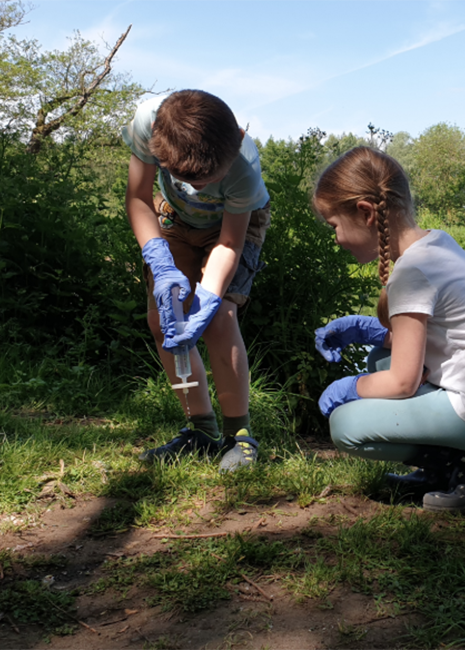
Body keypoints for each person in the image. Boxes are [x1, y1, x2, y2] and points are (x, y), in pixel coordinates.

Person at [312, 146, 465, 512]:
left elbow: (403, 381)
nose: (336, 239)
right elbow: (423, 339)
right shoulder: (437, 245)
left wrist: (347, 389)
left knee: (345, 425)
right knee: (379, 358)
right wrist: (366, 331)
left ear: (366, 213)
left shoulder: (412, 272)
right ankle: (448, 468)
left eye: (334, 226)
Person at [122, 89, 270, 471]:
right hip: (173, 217)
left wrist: (208, 296)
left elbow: (229, 242)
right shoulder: (148, 123)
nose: (198, 187)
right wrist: (159, 260)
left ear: (236, 140)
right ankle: (200, 431)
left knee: (219, 316)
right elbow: (139, 197)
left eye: (207, 179)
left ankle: (240, 436)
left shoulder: (243, 167)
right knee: (163, 318)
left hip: (232, 226)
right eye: (185, 178)